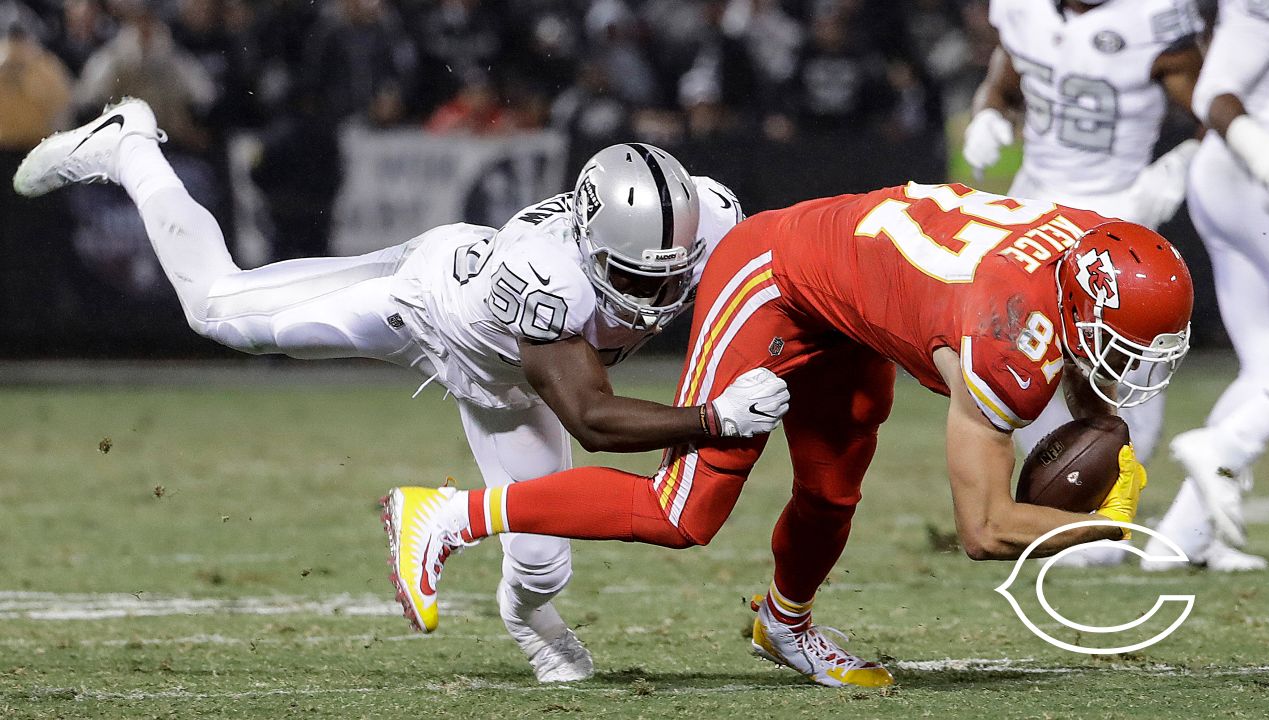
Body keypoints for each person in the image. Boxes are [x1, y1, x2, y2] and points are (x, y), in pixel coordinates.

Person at [11, 98, 782, 683]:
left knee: (544, 564)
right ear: (587, 240)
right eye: (631, 275)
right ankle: (130, 146)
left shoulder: (709, 217)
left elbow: (768, 282)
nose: (654, 292)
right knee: (219, 309)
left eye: (668, 272)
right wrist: (715, 414)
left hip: (512, 380)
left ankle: (543, 642)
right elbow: (592, 419)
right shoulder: (544, 275)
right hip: (422, 306)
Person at [383, 181, 1193, 688]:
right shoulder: (1003, 334)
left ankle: (786, 624)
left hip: (857, 297)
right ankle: (447, 516)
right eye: (1129, 349)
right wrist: (1105, 524)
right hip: (777, 273)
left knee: (834, 484)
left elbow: (1083, 345)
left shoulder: (1085, 239)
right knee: (683, 512)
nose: (1132, 369)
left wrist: (1100, 423)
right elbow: (982, 531)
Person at [963, 0, 1204, 507]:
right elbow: (1005, 82)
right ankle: (1063, 500)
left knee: (1130, 368)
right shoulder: (1024, 10)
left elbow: (1214, 107)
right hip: (1035, 214)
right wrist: (987, 112)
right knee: (1024, 357)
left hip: (1117, 217)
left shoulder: (1151, 16)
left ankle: (1118, 493)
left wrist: (1182, 163)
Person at [1143, 0, 1269, 573]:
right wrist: (1268, 159)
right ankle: (1227, 446)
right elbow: (1214, 94)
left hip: (1232, 179)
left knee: (1267, 363)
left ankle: (1180, 538)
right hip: (1258, 174)